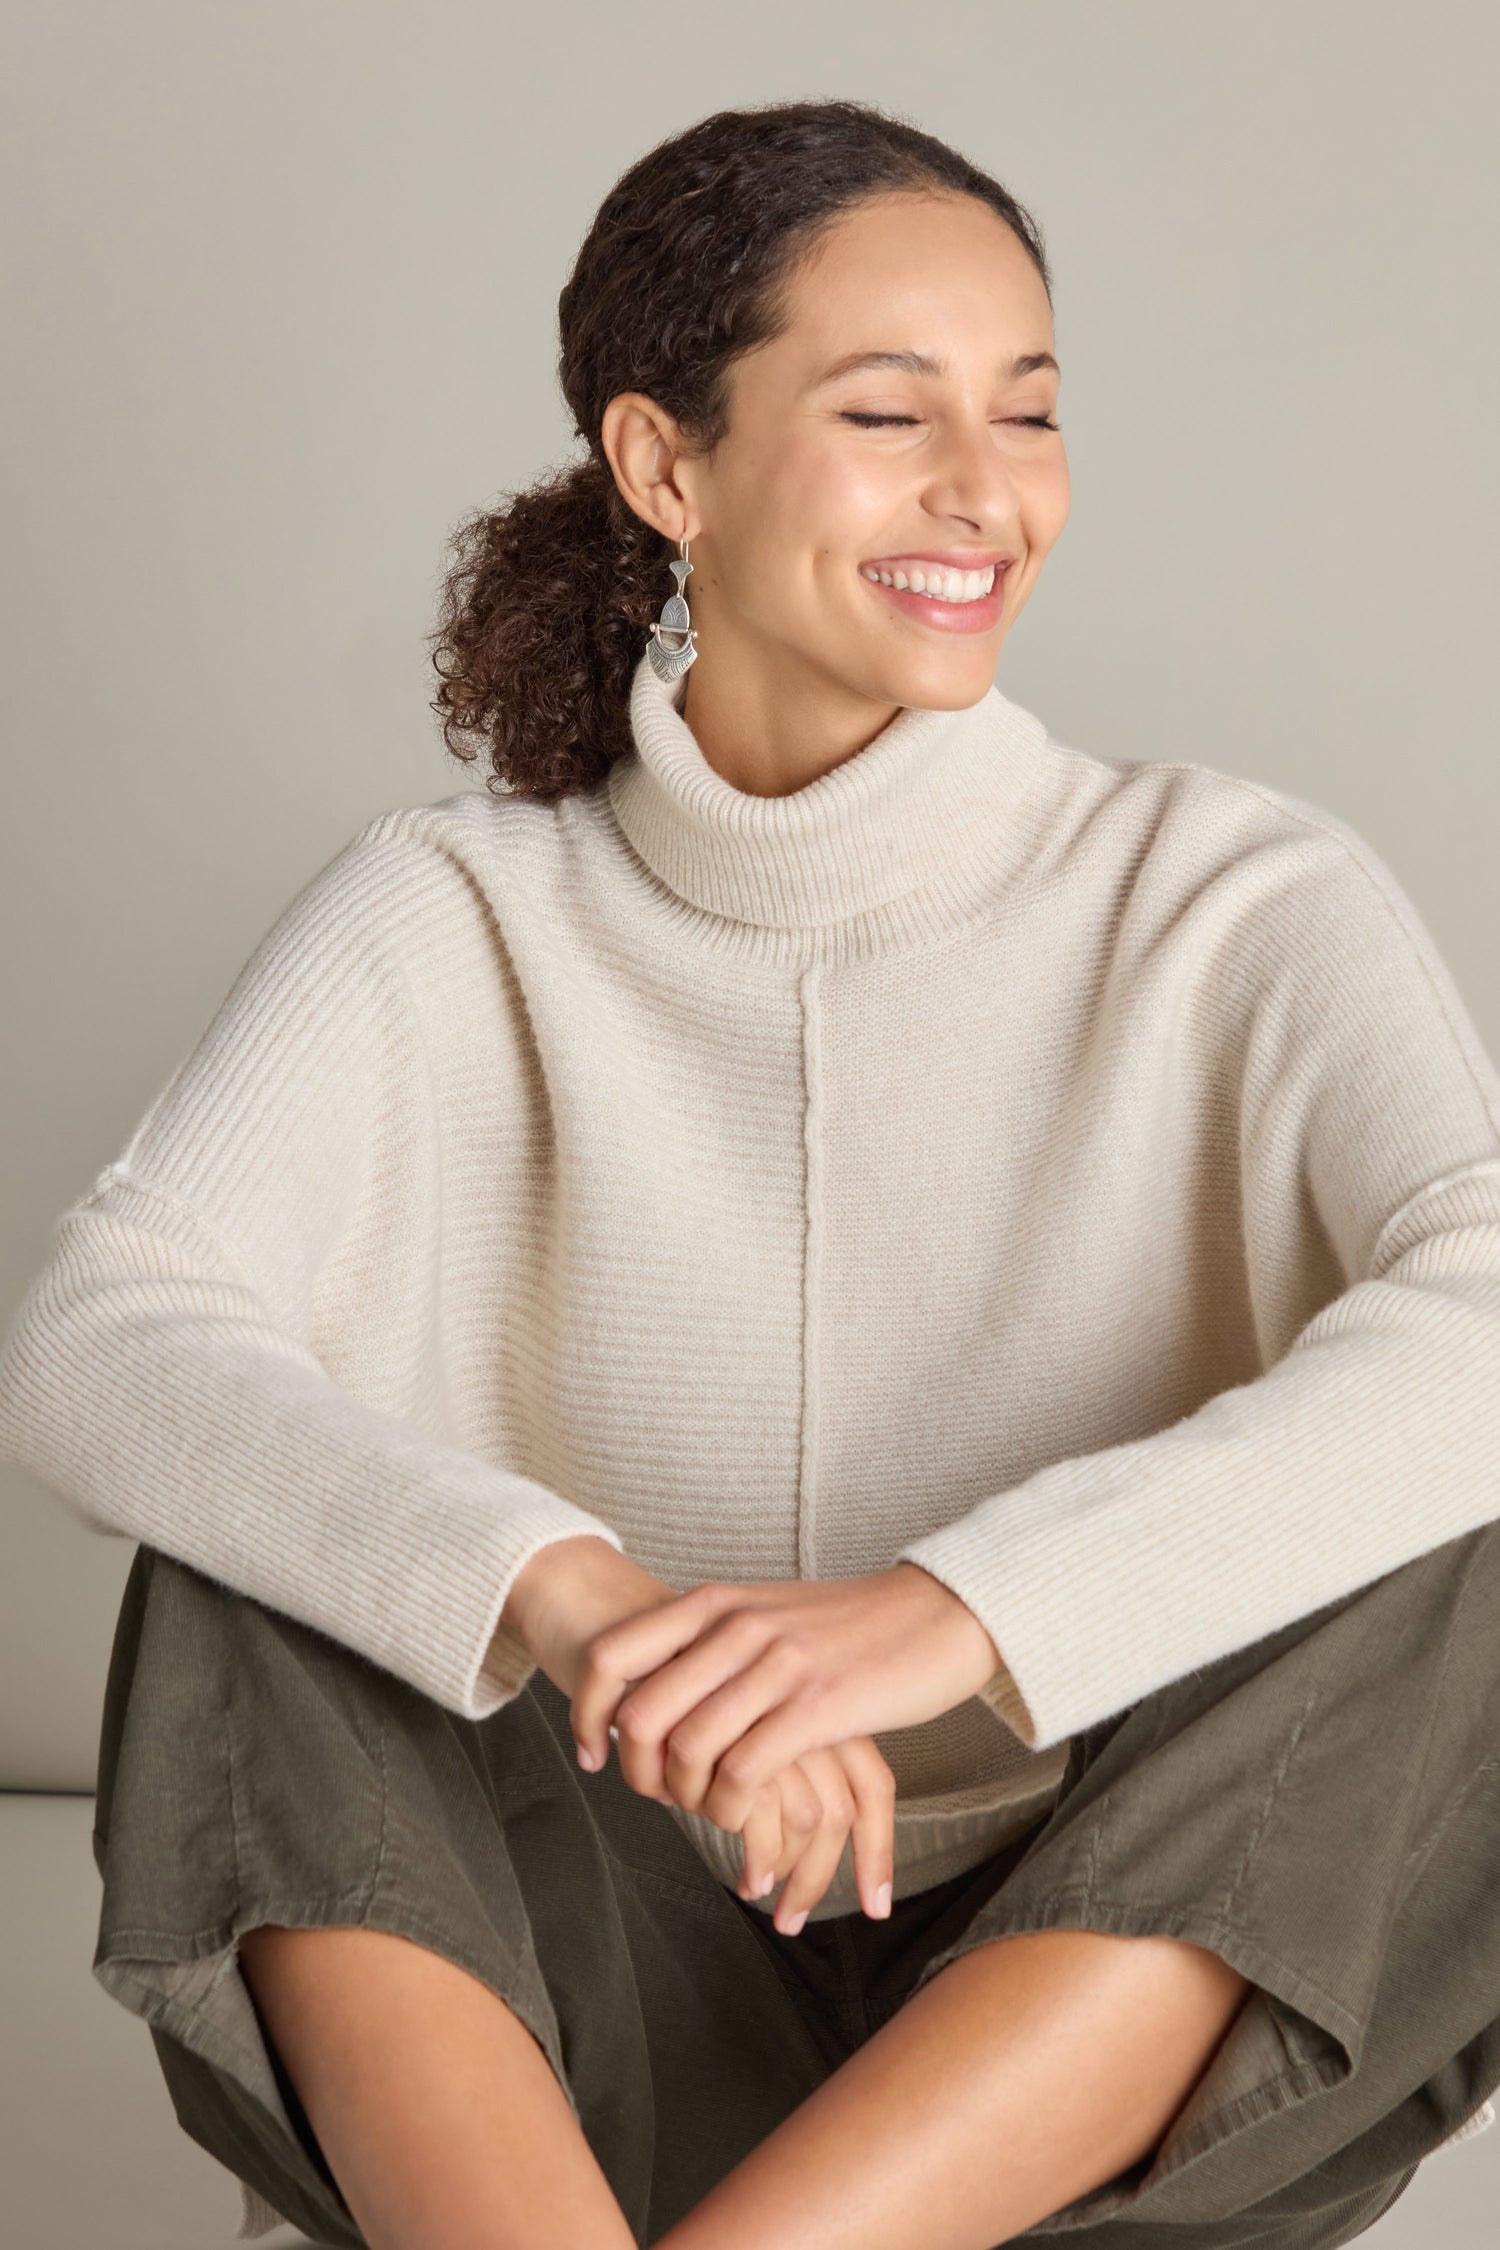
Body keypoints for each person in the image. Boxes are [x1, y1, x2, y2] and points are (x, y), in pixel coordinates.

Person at [3, 95, 1500, 2250]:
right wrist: (585, 1603)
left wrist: (946, 1619)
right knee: (256, 1536)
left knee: (1452, 1514)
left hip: (1074, 2018)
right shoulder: (452, 915)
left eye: (1032, 412)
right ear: (663, 465)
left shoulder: (1230, 895)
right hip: (574, 2002)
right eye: (891, 416)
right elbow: (96, 1337)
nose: (988, 495)